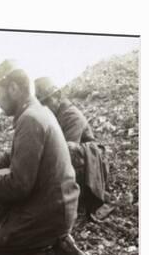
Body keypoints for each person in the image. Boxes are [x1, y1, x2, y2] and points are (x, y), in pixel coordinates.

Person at [0, 60, 91, 255]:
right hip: (53, 205)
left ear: (13, 88)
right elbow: (13, 157)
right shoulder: (34, 113)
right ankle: (12, 249)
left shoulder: (30, 120)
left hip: (49, 213)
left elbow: (18, 186)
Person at [35, 77, 109, 217]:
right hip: (72, 163)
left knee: (67, 149)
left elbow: (64, 153)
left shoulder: (71, 115)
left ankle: (74, 197)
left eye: (46, 101)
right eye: (41, 104)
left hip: (90, 163)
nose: (44, 107)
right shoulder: (52, 115)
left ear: (57, 96)